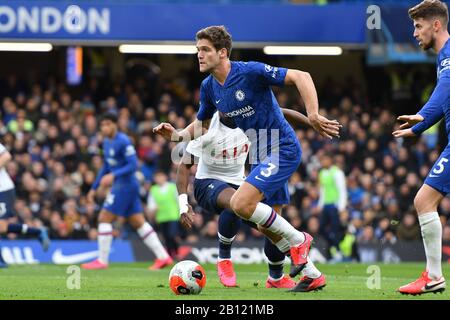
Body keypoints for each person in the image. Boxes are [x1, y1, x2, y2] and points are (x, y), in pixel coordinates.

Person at [154, 25, 340, 281]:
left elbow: (302, 76)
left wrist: (313, 115)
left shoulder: (250, 71)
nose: (199, 55)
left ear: (222, 53)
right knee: (262, 218)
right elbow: (203, 125)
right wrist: (177, 135)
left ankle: (299, 241)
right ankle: (309, 274)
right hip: (261, 156)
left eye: (205, 50)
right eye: (197, 50)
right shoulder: (209, 87)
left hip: (281, 147)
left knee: (242, 204)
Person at [177, 109, 336, 290]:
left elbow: (280, 112)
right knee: (235, 202)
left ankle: (305, 274)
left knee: (270, 227)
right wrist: (183, 205)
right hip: (206, 184)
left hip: (239, 183)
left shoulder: (249, 116)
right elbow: (184, 167)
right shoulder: (206, 126)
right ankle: (224, 259)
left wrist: (312, 123)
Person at [392, 0, 448, 295]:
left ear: (436, 25)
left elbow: (444, 91)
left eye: (418, 26)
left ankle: (434, 276)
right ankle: (434, 275)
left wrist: (423, 116)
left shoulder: (449, 55)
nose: (415, 33)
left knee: (424, 201)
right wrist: (418, 127)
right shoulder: (443, 58)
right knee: (424, 201)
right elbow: (444, 102)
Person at [81, 113, 173, 270]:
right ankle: (164, 257)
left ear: (115, 125)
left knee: (104, 218)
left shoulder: (123, 141)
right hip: (122, 185)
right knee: (138, 221)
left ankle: (102, 261)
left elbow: (133, 164)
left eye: (108, 124)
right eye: (102, 125)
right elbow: (106, 167)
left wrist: (113, 175)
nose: (104, 128)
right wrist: (94, 188)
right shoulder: (106, 143)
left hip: (125, 185)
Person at [0, 142, 50, 268]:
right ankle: (38, 231)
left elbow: (6, 156)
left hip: (3, 189)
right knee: (2, 227)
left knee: (1, 226)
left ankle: (1, 261)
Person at [147, 171, 183, 259]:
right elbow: (151, 203)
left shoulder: (172, 187)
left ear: (165, 177)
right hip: (161, 217)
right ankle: (170, 254)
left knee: (172, 235)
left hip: (173, 216)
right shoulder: (153, 189)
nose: (159, 179)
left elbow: (178, 200)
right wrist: (153, 210)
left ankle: (176, 251)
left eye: (160, 177)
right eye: (157, 177)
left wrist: (182, 212)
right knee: (166, 237)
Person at [317, 152, 348, 255]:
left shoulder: (337, 173)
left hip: (335, 205)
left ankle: (336, 250)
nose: (323, 162)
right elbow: (323, 190)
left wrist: (342, 207)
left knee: (336, 229)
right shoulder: (322, 173)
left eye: (325, 160)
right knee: (321, 228)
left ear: (330, 161)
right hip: (326, 205)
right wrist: (320, 205)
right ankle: (334, 245)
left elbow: (342, 190)